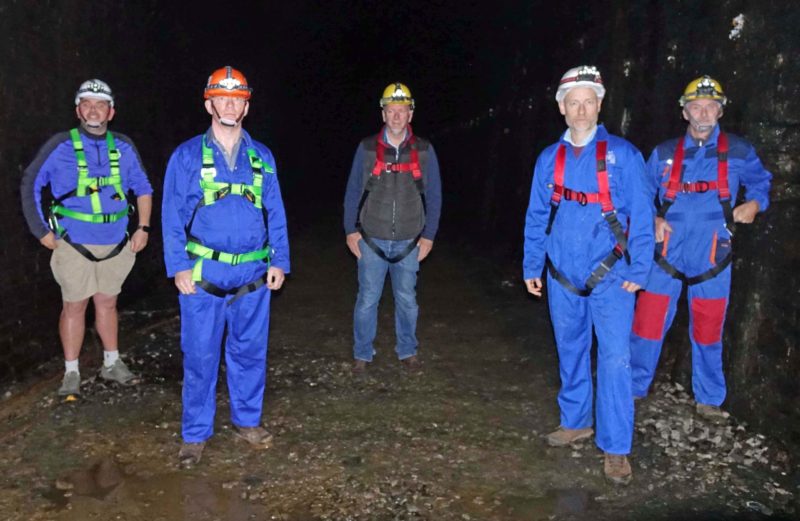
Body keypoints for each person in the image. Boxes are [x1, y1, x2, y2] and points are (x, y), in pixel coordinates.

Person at [523, 66, 653, 484]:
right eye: (573, 102)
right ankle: (576, 419)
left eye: (588, 101)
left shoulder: (625, 155)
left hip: (612, 274)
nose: (581, 110)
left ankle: (616, 447)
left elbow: (643, 214)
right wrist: (531, 264)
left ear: (600, 104)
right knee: (571, 348)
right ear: (562, 108)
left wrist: (641, 266)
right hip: (562, 272)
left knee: (614, 359)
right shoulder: (549, 159)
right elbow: (537, 215)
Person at [162, 66, 290, 468]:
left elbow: (276, 210)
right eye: (222, 97)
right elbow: (170, 215)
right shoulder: (185, 156)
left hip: (252, 274)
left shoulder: (262, 156)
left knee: (249, 352)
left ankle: (247, 421)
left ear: (246, 106)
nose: (230, 104)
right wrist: (177, 266)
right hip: (204, 276)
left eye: (238, 98)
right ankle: (195, 434)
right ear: (209, 103)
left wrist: (280, 259)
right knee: (200, 355)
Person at [630, 76, 772, 420]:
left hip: (713, 250)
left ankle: (708, 398)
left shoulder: (739, 150)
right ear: (684, 111)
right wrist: (651, 220)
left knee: (709, 325)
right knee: (647, 321)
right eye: (696, 106)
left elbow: (760, 182)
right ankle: (633, 386)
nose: (704, 113)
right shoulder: (663, 153)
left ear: (721, 111)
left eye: (711, 106)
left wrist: (754, 204)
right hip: (667, 247)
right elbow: (638, 195)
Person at [21, 79, 153, 399]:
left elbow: (143, 187)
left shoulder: (123, 146)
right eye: (87, 104)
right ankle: (71, 372)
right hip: (74, 242)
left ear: (111, 111)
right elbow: (30, 184)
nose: (94, 109)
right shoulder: (59, 146)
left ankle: (112, 362)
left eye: (101, 104)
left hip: (116, 242)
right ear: (78, 109)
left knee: (107, 302)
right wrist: (41, 231)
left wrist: (143, 227)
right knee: (74, 305)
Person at [343, 82, 442, 374]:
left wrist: (429, 236)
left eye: (402, 111)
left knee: (407, 300)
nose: (397, 116)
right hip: (371, 238)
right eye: (391, 110)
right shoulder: (366, 149)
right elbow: (352, 191)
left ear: (410, 114)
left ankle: (407, 350)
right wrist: (351, 229)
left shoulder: (424, 150)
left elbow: (435, 194)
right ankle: (362, 353)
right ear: (383, 114)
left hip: (410, 240)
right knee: (367, 300)